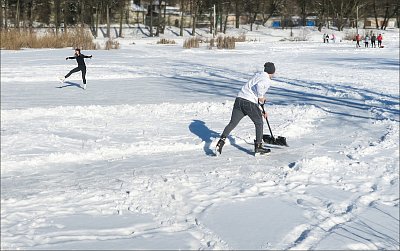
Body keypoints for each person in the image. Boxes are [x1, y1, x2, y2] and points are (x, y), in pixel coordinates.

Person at [215, 62, 275, 156]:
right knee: (259, 122)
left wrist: (261, 110)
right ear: (272, 71)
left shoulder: (258, 76)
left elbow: (253, 93)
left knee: (232, 123)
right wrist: (261, 96)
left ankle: (221, 141)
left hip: (239, 100)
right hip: (249, 102)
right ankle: (258, 147)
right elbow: (258, 89)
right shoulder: (266, 79)